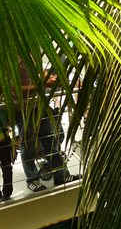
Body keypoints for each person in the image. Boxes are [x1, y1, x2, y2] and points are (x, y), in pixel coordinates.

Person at [17, 60, 80, 193]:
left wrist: (48, 78)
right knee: (28, 146)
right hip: (22, 110)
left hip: (41, 105)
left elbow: (40, 74)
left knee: (50, 141)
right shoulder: (9, 58)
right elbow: (15, 90)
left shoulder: (31, 56)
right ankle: (33, 180)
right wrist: (44, 83)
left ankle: (61, 176)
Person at [0, 107, 13, 201]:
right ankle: (7, 193)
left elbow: (9, 124)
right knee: (7, 168)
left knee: (7, 168)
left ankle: (7, 192)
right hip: (4, 141)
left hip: (4, 141)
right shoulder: (3, 108)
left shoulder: (3, 108)